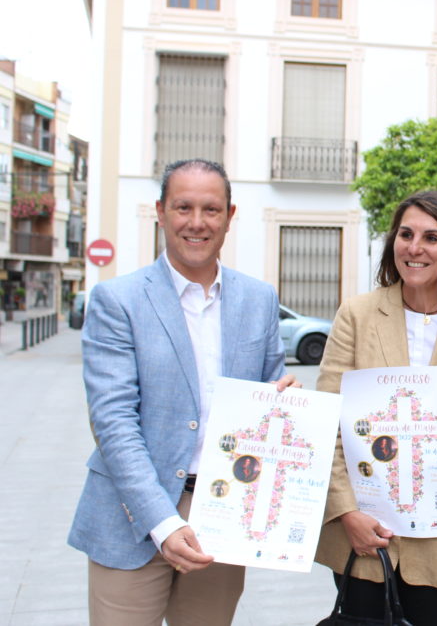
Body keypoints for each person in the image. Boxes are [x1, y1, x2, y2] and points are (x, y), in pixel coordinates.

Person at [67, 159, 298, 626]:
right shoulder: (118, 301)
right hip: (130, 514)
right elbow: (113, 423)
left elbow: (266, 404)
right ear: (160, 211)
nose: (197, 222)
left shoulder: (259, 300)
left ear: (230, 216)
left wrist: (284, 406)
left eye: (211, 209)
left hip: (224, 512)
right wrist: (164, 522)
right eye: (183, 207)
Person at [314, 190, 437, 626]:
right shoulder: (356, 316)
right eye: (406, 234)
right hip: (365, 530)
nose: (415, 248)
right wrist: (345, 513)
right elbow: (326, 422)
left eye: (431, 237)